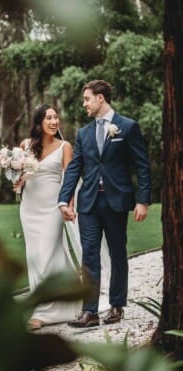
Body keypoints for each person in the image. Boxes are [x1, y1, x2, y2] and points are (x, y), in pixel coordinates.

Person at [58, 79, 151, 328]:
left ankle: (117, 306)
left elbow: (142, 166)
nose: (84, 104)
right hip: (88, 202)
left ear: (101, 98)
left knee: (117, 252)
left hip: (116, 201)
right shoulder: (83, 133)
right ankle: (90, 312)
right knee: (89, 255)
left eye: (87, 99)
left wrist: (143, 201)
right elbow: (75, 168)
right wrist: (64, 199)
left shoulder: (127, 127)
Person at [16, 104, 82, 330]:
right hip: (29, 209)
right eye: (49, 118)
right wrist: (17, 179)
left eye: (56, 117)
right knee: (36, 257)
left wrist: (69, 207)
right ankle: (65, 298)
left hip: (53, 209)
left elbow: (71, 180)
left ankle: (44, 313)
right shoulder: (26, 146)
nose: (54, 122)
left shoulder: (65, 147)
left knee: (47, 253)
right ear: (39, 123)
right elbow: (21, 176)